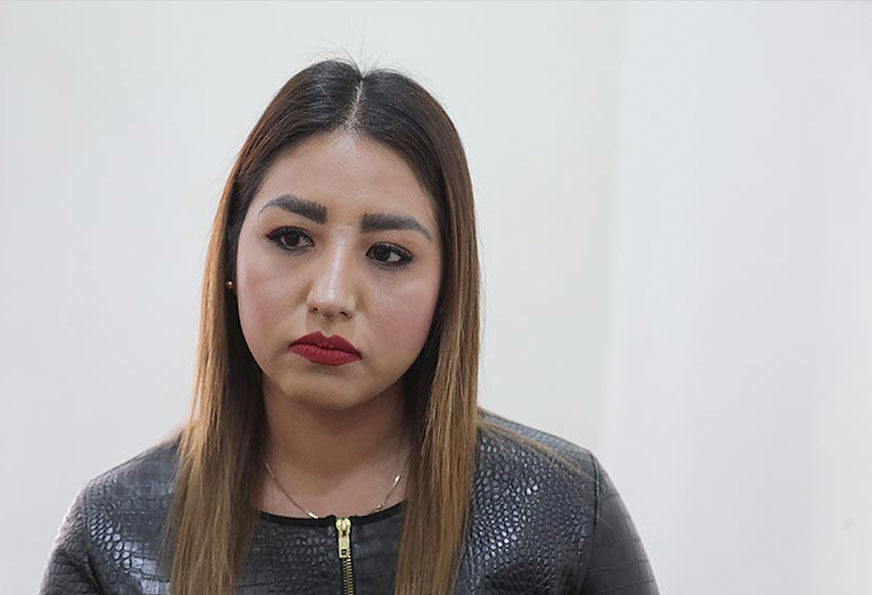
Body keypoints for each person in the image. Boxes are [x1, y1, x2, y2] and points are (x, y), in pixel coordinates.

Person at [38, 59, 659, 595]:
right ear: (230, 256)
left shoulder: (556, 509)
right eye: (291, 238)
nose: (331, 296)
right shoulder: (116, 532)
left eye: (388, 253)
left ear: (448, 287)